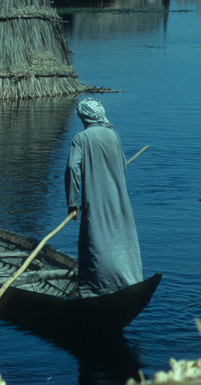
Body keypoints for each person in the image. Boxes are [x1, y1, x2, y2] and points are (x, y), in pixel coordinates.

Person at [65, 98, 143, 296]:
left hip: (95, 201)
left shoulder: (81, 139)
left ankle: (95, 288)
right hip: (118, 200)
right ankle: (126, 281)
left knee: (95, 240)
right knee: (118, 237)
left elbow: (73, 168)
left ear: (83, 117)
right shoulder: (113, 135)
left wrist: (72, 203)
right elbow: (122, 166)